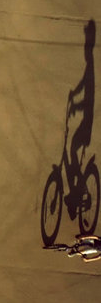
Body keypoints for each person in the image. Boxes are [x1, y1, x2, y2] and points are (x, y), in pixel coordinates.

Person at [66, 19, 95, 210]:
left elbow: (89, 100)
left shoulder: (90, 66)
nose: (84, 48)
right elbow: (83, 85)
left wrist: (76, 105)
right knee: (73, 151)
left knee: (72, 150)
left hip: (87, 123)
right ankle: (77, 188)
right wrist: (73, 94)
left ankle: (80, 188)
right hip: (86, 121)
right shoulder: (89, 65)